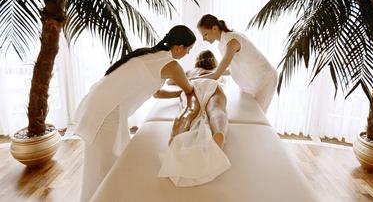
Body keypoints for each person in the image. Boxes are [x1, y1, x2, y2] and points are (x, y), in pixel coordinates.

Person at [74, 25, 196, 202]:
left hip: (101, 104)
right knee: (103, 167)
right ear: (178, 47)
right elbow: (190, 88)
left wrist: (178, 94)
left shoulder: (152, 55)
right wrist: (188, 90)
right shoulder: (170, 64)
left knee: (101, 165)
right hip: (106, 110)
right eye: (188, 50)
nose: (188, 54)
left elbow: (157, 92)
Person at [197, 14, 278, 113]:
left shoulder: (232, 41)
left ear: (214, 28)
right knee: (245, 113)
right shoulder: (223, 44)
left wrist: (192, 80)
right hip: (249, 83)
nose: (204, 39)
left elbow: (216, 75)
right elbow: (232, 70)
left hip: (265, 80)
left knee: (256, 115)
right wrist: (210, 72)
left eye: (205, 34)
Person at [168, 50, 228, 148]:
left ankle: (175, 136)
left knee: (188, 111)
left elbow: (170, 81)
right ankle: (219, 133)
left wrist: (187, 79)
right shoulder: (216, 71)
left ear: (197, 60)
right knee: (216, 110)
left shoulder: (190, 72)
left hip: (192, 87)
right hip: (212, 84)